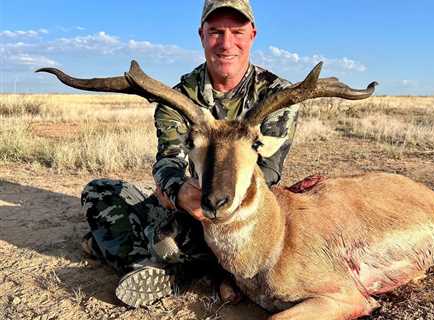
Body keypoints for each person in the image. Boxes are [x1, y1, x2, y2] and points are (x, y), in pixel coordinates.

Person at [81, 0, 299, 308]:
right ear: (201, 34)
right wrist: (178, 189)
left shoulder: (277, 95)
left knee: (170, 236)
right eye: (215, 32)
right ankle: (185, 265)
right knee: (99, 192)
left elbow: (269, 171)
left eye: (237, 31)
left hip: (240, 216)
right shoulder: (176, 97)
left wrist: (222, 200)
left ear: (252, 34)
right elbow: (168, 160)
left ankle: (151, 260)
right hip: (189, 206)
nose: (226, 43)